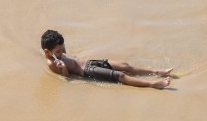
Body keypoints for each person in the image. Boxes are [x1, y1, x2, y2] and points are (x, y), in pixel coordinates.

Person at [40, 30, 172, 89]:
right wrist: (63, 68)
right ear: (47, 51)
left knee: (125, 65)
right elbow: (66, 78)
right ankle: (152, 84)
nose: (62, 52)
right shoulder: (52, 63)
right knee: (120, 75)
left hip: (90, 61)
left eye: (63, 48)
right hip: (87, 70)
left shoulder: (57, 52)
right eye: (59, 51)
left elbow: (69, 56)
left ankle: (156, 72)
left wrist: (64, 54)